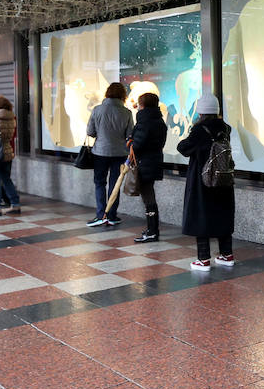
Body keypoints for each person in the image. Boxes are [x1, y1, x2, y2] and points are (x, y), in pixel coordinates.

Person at [176, 94, 235, 270]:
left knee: (201, 216)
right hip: (223, 179)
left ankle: (203, 259)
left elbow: (183, 148)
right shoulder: (226, 129)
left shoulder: (200, 131)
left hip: (203, 181)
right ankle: (227, 254)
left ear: (200, 112)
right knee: (222, 215)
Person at [85, 82, 135, 227]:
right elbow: (130, 135)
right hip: (120, 153)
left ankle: (101, 215)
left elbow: (90, 132)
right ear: (123, 95)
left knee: (100, 183)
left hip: (100, 152)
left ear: (107, 93)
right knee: (115, 184)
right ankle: (111, 215)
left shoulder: (97, 110)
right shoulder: (126, 113)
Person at [130, 91, 167, 243]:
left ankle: (152, 231)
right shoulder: (159, 121)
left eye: (139, 104)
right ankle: (152, 229)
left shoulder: (144, 121)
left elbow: (137, 144)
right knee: (148, 195)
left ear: (143, 105)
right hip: (154, 161)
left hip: (144, 163)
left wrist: (130, 142)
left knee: (148, 198)